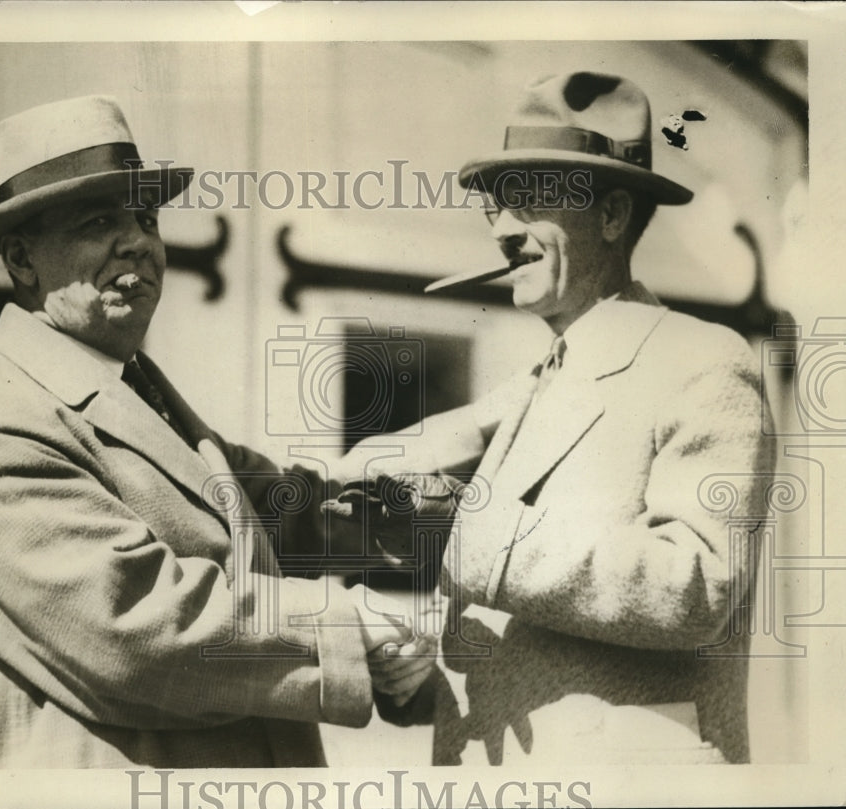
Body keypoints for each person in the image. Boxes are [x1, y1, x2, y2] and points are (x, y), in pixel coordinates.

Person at [0, 94, 436, 769]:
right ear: (20, 258)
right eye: (101, 220)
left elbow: (278, 513)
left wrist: (448, 485)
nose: (138, 242)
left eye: (147, 218)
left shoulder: (135, 392)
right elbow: (137, 627)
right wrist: (346, 626)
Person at [329, 71, 776, 765]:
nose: (505, 229)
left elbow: (696, 585)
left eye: (531, 200)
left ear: (613, 215)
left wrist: (463, 529)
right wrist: (422, 680)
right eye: (497, 205)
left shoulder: (702, 361)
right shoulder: (527, 391)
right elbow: (516, 622)